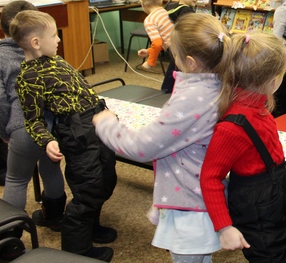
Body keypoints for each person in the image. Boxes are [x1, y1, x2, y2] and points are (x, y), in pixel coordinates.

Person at [93, 13, 225, 263]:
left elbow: (141, 148)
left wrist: (107, 125)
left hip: (189, 202)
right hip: (199, 194)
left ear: (189, 62)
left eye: (173, 54)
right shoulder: (214, 84)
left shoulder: (192, 98)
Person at [11, 10, 117, 262]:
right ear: (36, 42)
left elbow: (81, 90)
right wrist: (47, 141)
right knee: (88, 187)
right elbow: (34, 120)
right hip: (77, 133)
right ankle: (77, 250)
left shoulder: (56, 59)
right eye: (54, 35)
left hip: (97, 122)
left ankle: (91, 226)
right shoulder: (28, 77)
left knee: (106, 178)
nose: (58, 39)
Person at [200, 32, 286, 262]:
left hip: (274, 196)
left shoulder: (258, 106)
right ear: (273, 82)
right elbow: (209, 178)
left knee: (284, 244)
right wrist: (224, 227)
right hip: (257, 208)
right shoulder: (233, 127)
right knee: (270, 255)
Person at [0, 1, 66, 258]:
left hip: (22, 129)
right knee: (51, 168)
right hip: (51, 125)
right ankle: (55, 217)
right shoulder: (48, 52)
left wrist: (4, 132)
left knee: (16, 179)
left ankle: (9, 238)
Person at [161, 0, 201, 93]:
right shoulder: (187, 11)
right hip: (185, 47)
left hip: (176, 45)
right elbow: (192, 30)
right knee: (181, 70)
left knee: (174, 67)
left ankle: (166, 90)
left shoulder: (173, 8)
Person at [137, 0, 175, 73]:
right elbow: (165, 39)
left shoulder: (149, 20)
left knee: (172, 77)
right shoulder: (164, 12)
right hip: (180, 45)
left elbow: (157, 43)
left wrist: (150, 62)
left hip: (175, 51)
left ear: (142, 3)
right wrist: (149, 51)